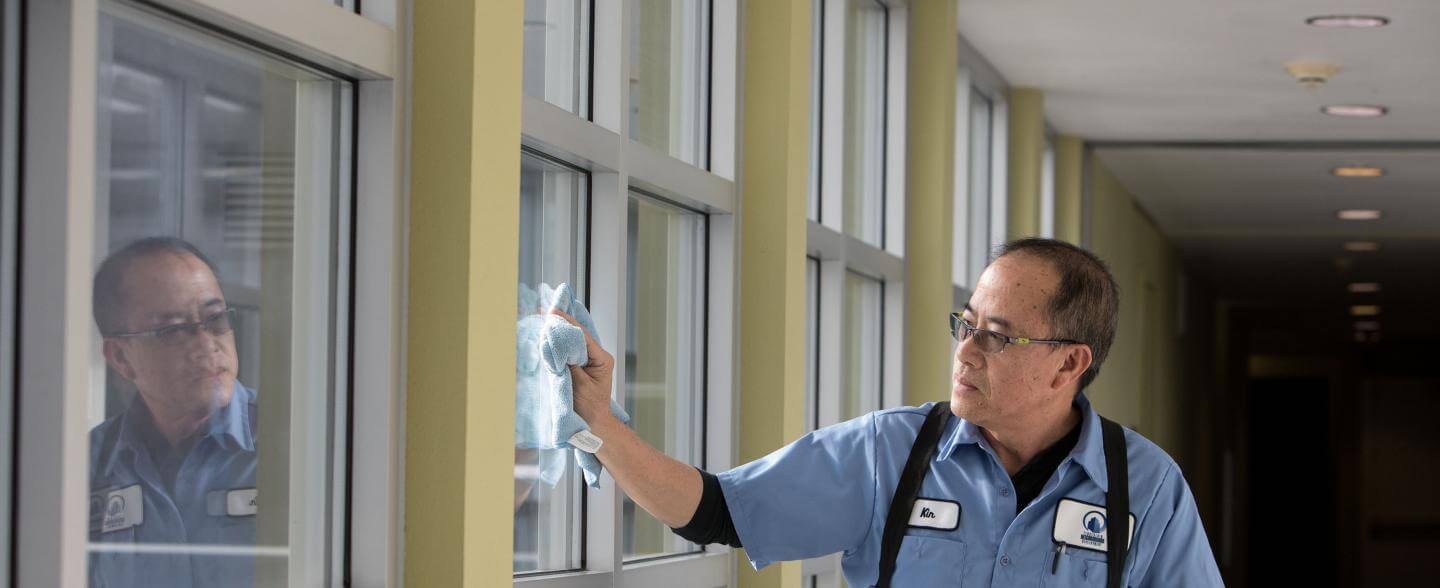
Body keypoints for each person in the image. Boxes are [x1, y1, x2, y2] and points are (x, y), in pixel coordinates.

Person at [560, 238, 1223, 586]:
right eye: (964, 326)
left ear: (1069, 364)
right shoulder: (891, 454)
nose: (966, 352)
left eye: (997, 335)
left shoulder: (1145, 487)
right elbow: (719, 511)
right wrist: (602, 424)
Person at [88, 237, 258, 587]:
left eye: (215, 318)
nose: (206, 344)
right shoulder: (88, 468)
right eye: (173, 330)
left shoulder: (293, 445)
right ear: (121, 357)